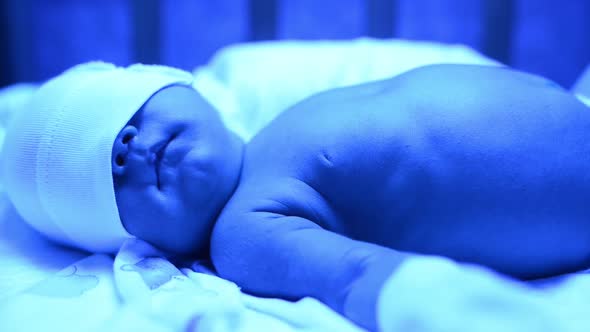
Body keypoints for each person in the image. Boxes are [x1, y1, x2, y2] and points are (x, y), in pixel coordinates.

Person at [3, 62, 590, 330]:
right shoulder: (244, 233)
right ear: (139, 243)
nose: (127, 147)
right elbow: (362, 278)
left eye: (124, 114)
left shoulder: (275, 126)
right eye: (104, 176)